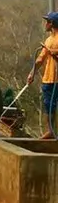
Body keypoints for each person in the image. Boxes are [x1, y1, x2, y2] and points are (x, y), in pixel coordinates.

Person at [27, 11, 58, 139]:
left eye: (47, 22)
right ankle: (51, 131)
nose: (45, 24)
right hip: (49, 79)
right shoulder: (49, 39)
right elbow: (40, 59)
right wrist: (32, 73)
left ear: (52, 24)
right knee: (48, 105)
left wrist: (54, 52)